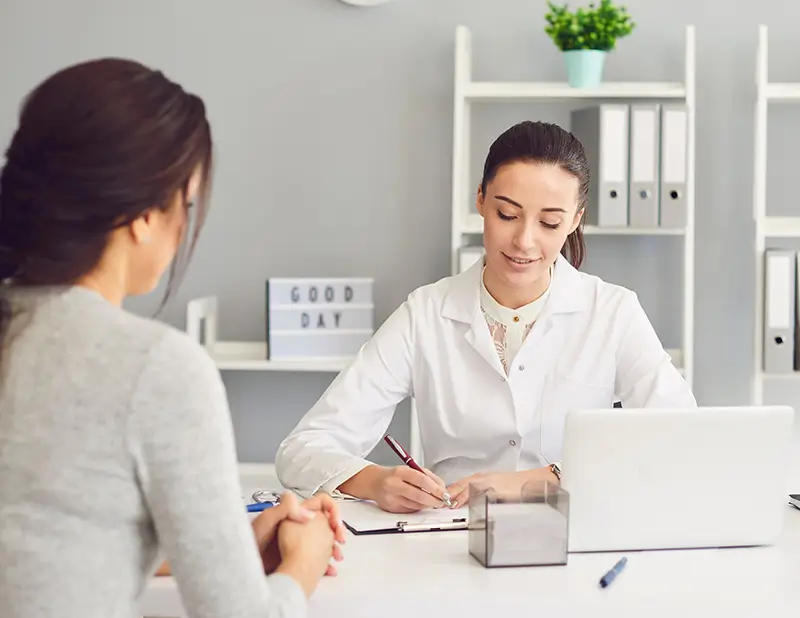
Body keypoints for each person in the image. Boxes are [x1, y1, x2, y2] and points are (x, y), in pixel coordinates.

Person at [0, 59, 346, 618]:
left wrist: (225, 545)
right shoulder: (154, 367)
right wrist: (303, 561)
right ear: (141, 216)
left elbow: (48, 541)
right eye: (184, 205)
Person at [275, 120, 697, 514]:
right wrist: (373, 481)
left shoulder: (613, 313)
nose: (524, 241)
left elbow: (681, 435)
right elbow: (303, 448)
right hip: (451, 540)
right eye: (507, 215)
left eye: (550, 223)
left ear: (574, 221)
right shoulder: (425, 315)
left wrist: (539, 480)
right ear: (480, 199)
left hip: (574, 535)